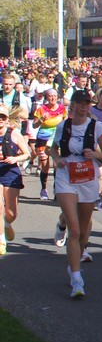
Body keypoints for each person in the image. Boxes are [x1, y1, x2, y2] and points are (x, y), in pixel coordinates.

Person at [50, 90, 102, 294]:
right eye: (80, 103)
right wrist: (57, 159)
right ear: (73, 105)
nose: (84, 106)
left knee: (84, 230)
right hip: (66, 175)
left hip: (87, 177)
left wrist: (95, 154)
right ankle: (77, 279)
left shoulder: (97, 127)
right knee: (75, 229)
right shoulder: (63, 126)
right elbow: (53, 149)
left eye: (87, 103)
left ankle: (74, 263)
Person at [0, 105, 30, 256]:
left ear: (7, 119)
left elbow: (27, 154)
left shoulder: (14, 133)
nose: (0, 120)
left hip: (10, 172)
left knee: (11, 213)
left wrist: (15, 159)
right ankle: (1, 240)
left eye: (3, 117)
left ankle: (7, 224)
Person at [34, 87, 66, 200]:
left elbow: (65, 122)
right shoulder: (41, 109)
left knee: (57, 164)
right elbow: (34, 125)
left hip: (57, 139)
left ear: (58, 97)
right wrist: (41, 120)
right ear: (47, 97)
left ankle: (56, 189)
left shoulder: (62, 109)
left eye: (54, 96)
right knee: (45, 165)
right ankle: (43, 189)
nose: (52, 98)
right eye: (50, 96)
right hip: (43, 138)